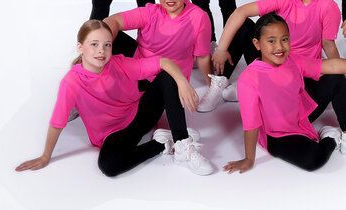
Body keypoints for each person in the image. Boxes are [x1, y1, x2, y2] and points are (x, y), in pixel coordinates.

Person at [15, 20, 213, 177]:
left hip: (138, 115)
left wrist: (182, 81)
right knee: (109, 166)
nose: (101, 50)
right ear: (80, 47)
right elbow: (57, 122)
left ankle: (181, 143)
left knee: (167, 76)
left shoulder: (118, 63)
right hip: (112, 135)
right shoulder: (71, 82)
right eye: (94, 44)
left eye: (107, 45)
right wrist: (45, 156)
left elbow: (163, 62)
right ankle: (162, 143)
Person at [223, 14, 346, 173]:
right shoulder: (249, 79)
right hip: (277, 135)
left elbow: (332, 66)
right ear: (257, 44)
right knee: (313, 161)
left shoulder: (293, 60)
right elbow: (251, 124)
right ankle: (330, 136)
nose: (279, 47)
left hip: (300, 115)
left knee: (336, 79)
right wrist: (249, 159)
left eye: (284, 40)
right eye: (271, 41)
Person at [204, 0, 340, 112]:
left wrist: (337, 74)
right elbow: (241, 11)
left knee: (289, 97)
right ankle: (222, 80)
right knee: (244, 26)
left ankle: (254, 85)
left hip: (297, 69)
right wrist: (221, 49)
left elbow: (328, 44)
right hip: (272, 57)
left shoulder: (328, 7)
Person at [103, 0, 217, 109]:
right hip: (140, 66)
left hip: (167, 76)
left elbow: (203, 57)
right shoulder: (151, 12)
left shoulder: (199, 17)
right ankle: (85, 82)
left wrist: (211, 85)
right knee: (103, 35)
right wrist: (100, 47)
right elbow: (112, 21)